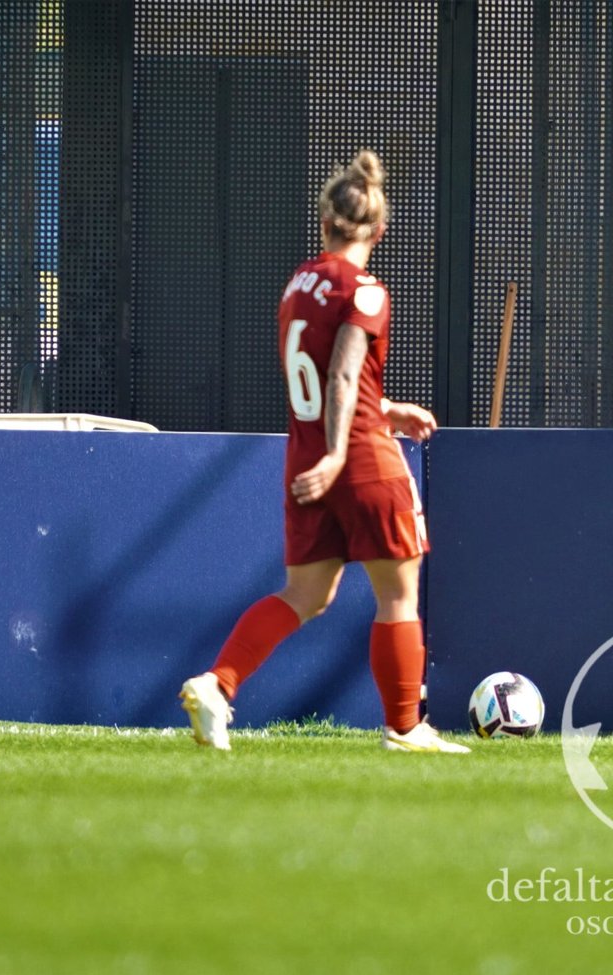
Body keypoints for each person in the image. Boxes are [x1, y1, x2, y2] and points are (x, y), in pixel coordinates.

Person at [178, 149, 467, 754]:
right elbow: (340, 376)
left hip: (306, 457)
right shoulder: (366, 291)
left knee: (305, 595)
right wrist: (343, 453)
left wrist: (386, 409)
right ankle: (405, 728)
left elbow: (322, 378)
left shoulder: (298, 285)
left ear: (324, 223)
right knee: (398, 595)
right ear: (379, 231)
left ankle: (217, 684)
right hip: (356, 458)